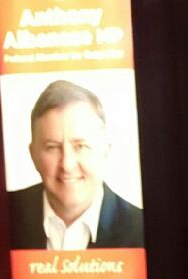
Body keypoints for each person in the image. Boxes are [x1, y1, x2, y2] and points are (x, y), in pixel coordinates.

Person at [8, 80, 144, 250]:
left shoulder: (142, 230)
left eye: (81, 146)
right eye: (52, 147)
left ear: (105, 151)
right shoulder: (0, 217)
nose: (67, 164)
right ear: (33, 155)